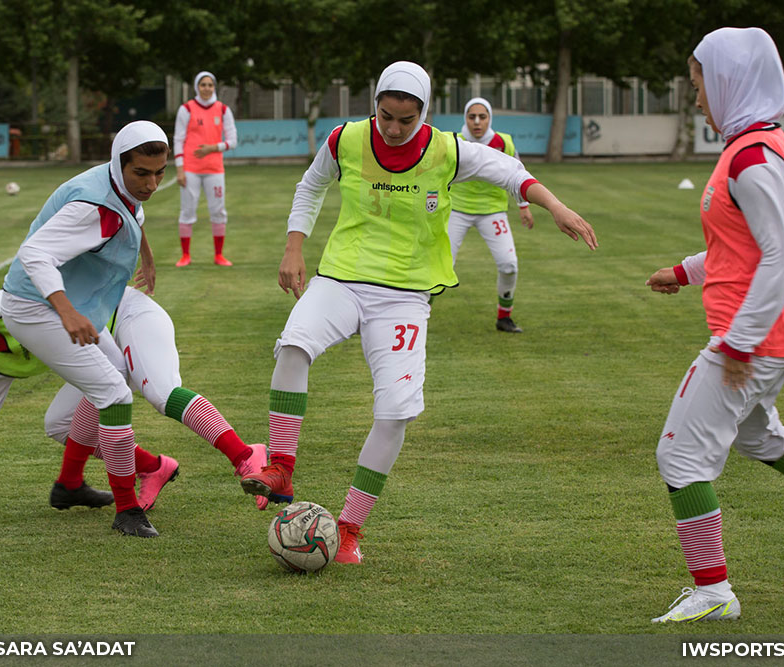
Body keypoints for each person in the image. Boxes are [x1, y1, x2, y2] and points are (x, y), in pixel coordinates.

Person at [240, 61, 597, 564]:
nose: (393, 128)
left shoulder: (448, 150)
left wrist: (555, 206)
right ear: (375, 108)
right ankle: (279, 466)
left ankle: (350, 529)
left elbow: (512, 173)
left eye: (406, 120)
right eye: (385, 116)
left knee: (394, 414)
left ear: (424, 113)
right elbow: (310, 185)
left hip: (406, 295)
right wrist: (294, 248)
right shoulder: (346, 138)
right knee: (293, 345)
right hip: (342, 277)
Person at [645, 28, 784, 623]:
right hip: (766, 338)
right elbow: (738, 246)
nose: (696, 96)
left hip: (753, 341)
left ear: (728, 80)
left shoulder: (753, 155)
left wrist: (739, 343)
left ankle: (714, 594)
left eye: (699, 83)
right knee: (760, 439)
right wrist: (682, 271)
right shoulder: (754, 144)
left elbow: (782, 254)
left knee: (680, 460)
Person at [0, 285, 266, 510]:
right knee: (58, 423)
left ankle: (246, 455)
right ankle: (154, 467)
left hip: (125, 314)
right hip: (98, 351)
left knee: (159, 392)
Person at [0, 120, 169, 538]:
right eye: (142, 174)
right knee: (113, 393)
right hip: (34, 308)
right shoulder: (96, 208)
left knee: (110, 380)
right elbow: (34, 253)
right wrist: (66, 312)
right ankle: (127, 511)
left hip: (61, 306)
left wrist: (145, 256)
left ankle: (69, 484)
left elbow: (137, 211)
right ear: (119, 163)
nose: (151, 183)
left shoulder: (117, 183)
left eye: (160, 173)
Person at [448, 97, 535, 333]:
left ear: (490, 119)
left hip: (492, 211)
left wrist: (523, 206)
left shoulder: (503, 142)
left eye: (482, 117)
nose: (477, 122)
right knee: (442, 264)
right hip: (456, 209)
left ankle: (504, 317)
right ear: (465, 118)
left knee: (509, 265)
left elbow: (518, 172)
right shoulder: (454, 142)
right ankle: (421, 314)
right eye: (471, 117)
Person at [173, 71, 238, 267]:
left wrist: (214, 147)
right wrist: (180, 169)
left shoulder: (223, 110)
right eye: (203, 85)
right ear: (196, 87)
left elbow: (233, 141)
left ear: (214, 87)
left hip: (214, 169)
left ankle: (219, 255)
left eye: (210, 85)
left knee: (218, 211)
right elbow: (178, 140)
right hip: (191, 169)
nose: (207, 88)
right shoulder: (186, 109)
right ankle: (185, 255)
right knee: (187, 210)